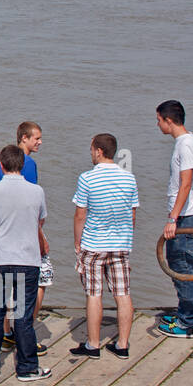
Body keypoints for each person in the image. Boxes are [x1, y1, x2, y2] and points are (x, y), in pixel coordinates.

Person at [0, 145, 50, 382]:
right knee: (23, 316)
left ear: (1, 165)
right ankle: (27, 368)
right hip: (28, 260)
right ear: (22, 165)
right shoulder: (37, 191)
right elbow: (41, 219)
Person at [70, 134, 138, 359]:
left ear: (99, 151)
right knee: (123, 293)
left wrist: (78, 243)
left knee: (93, 294)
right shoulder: (129, 178)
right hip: (121, 245)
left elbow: (80, 215)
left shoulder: (87, 178)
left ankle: (93, 344)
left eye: (91, 150)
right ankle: (123, 344)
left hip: (94, 244)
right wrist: (126, 237)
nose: (91, 153)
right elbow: (132, 214)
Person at [156, 100, 193, 338]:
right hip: (189, 214)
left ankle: (188, 322)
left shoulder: (185, 145)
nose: (157, 124)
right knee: (186, 264)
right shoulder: (190, 140)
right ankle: (186, 312)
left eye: (158, 120)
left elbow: (186, 183)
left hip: (187, 215)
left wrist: (172, 218)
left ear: (169, 120)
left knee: (181, 264)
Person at [0, 121, 51, 351]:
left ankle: (7, 331)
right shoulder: (28, 164)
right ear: (24, 138)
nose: (40, 142)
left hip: (7, 231)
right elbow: (32, 206)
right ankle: (24, 331)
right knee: (40, 281)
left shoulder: (3, 163)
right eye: (36, 138)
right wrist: (41, 239)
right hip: (27, 233)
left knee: (15, 284)